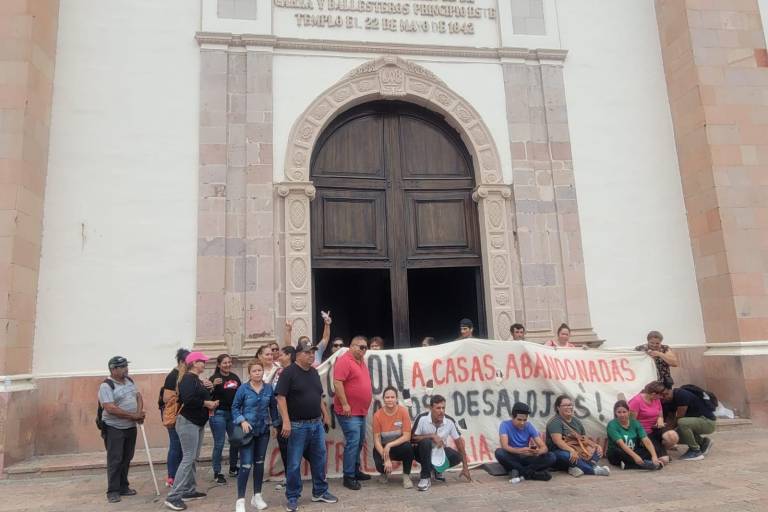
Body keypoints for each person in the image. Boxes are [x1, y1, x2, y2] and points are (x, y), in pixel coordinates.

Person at [275, 339, 338, 512]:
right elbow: (280, 398)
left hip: (316, 424)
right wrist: (286, 421)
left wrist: (325, 415)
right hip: (296, 425)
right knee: (294, 463)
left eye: (312, 352)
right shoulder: (288, 373)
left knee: (319, 459)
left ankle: (320, 491)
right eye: (307, 352)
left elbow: (318, 396)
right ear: (298, 354)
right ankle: (293, 496)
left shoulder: (313, 372)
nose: (311, 355)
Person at [164, 352, 219, 511]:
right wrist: (207, 403)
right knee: (188, 458)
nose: (204, 363)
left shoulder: (196, 380)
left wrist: (210, 392)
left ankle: (188, 490)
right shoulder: (188, 378)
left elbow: (198, 397)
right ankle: (173, 496)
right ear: (194, 363)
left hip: (197, 422)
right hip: (188, 422)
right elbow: (188, 399)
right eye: (202, 361)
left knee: (193, 458)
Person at [231, 360, 278, 512]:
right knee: (245, 465)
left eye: (259, 370)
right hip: (247, 433)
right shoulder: (243, 389)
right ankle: (240, 500)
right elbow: (235, 408)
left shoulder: (268, 388)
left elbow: (273, 408)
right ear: (249, 373)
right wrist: (242, 420)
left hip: (263, 431)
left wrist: (274, 425)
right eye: (254, 371)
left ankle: (257, 496)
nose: (257, 373)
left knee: (259, 464)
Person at [99, 356, 145, 503]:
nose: (126, 369)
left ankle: (123, 486)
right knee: (115, 459)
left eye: (126, 366)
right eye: (122, 366)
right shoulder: (106, 386)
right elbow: (110, 408)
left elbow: (138, 396)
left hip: (130, 427)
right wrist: (133, 416)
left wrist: (138, 414)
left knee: (127, 457)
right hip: (114, 427)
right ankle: (112, 491)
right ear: (113, 369)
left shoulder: (129, 381)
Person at [333, 335, 373, 490]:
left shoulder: (361, 361)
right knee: (353, 442)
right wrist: (345, 404)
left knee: (359, 441)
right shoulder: (344, 360)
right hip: (349, 411)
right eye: (361, 347)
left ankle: (355, 470)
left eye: (365, 347)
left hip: (360, 411)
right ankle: (348, 476)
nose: (364, 350)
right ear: (352, 346)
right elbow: (337, 382)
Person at [411, 394, 472, 491]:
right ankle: (425, 477)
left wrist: (465, 467)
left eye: (443, 408)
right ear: (431, 408)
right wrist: (431, 436)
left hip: (439, 452)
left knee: (457, 456)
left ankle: (437, 470)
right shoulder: (422, 419)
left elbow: (459, 445)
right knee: (426, 442)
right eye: (438, 408)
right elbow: (412, 438)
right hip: (421, 453)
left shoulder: (449, 421)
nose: (441, 411)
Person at [545, 394, 609, 477]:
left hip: (577, 449)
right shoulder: (555, 422)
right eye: (566, 405)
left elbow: (584, 439)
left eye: (570, 405)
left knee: (597, 450)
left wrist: (595, 445)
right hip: (559, 452)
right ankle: (593, 470)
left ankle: (575, 467)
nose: (569, 407)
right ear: (558, 408)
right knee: (567, 455)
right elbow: (558, 442)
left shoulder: (576, 421)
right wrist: (572, 451)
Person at [494, 402, 555, 482]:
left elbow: (544, 448)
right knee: (499, 452)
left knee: (551, 456)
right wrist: (519, 451)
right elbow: (505, 446)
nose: (522, 423)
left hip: (527, 457)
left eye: (524, 420)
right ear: (512, 417)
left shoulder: (529, 426)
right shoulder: (504, 425)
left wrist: (537, 452)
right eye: (519, 419)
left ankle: (519, 471)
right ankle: (531, 474)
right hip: (513, 456)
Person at [372, 386, 414, 488]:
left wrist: (390, 445)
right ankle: (383, 473)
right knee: (376, 454)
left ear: (396, 399)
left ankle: (406, 476)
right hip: (383, 448)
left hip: (398, 446)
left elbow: (407, 436)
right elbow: (376, 440)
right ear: (383, 399)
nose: (390, 400)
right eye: (387, 397)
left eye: (392, 397)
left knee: (408, 447)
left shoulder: (403, 411)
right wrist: (386, 458)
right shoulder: (377, 415)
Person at [159, 348, 190, 487]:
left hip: (182, 415)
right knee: (175, 445)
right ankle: (172, 477)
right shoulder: (173, 376)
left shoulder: (185, 374)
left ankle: (179, 475)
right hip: (174, 415)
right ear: (183, 361)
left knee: (180, 446)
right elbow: (166, 397)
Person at [209, 353, 241, 483]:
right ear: (219, 365)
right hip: (219, 414)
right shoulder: (214, 378)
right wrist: (212, 385)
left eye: (229, 362)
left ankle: (233, 468)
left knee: (236, 441)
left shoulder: (235, 377)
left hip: (233, 414)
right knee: (219, 443)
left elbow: (240, 393)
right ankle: (217, 472)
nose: (227, 365)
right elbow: (207, 395)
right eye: (224, 363)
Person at [628, 381, 678, 464]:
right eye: (661, 395)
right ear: (654, 394)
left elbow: (660, 415)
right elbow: (632, 423)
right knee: (664, 460)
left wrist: (660, 420)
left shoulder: (656, 399)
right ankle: (655, 450)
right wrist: (641, 436)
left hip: (656, 428)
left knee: (673, 437)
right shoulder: (636, 401)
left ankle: (660, 448)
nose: (662, 397)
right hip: (644, 432)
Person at [662, 386, 716, 461]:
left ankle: (695, 451)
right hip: (698, 421)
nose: (665, 397)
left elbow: (680, 417)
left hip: (708, 422)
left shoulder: (680, 394)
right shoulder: (669, 401)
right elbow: (671, 419)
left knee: (681, 423)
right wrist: (665, 434)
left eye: (666, 394)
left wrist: (669, 432)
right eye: (662, 395)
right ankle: (703, 442)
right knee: (676, 435)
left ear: (671, 389)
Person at [606, 400, 662, 470]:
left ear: (628, 412)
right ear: (615, 413)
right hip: (620, 452)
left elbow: (645, 439)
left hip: (634, 450)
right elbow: (621, 444)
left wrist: (654, 456)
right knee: (616, 452)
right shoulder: (612, 425)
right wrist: (635, 457)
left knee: (653, 448)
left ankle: (629, 464)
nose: (622, 415)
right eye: (619, 412)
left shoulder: (635, 423)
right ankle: (642, 465)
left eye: (624, 412)